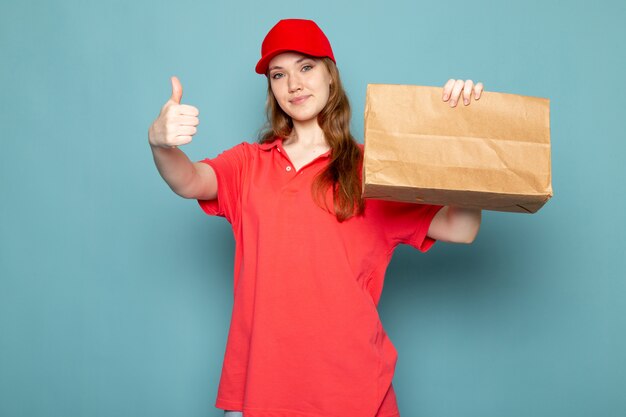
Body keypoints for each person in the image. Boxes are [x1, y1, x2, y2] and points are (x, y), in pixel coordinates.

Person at [148, 18, 483, 417]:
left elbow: (460, 228)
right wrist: (160, 143)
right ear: (272, 88)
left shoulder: (372, 169)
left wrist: (466, 133)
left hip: (355, 395)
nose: (294, 84)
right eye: (279, 74)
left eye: (306, 67)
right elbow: (188, 181)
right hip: (259, 392)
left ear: (330, 75)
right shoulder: (247, 165)